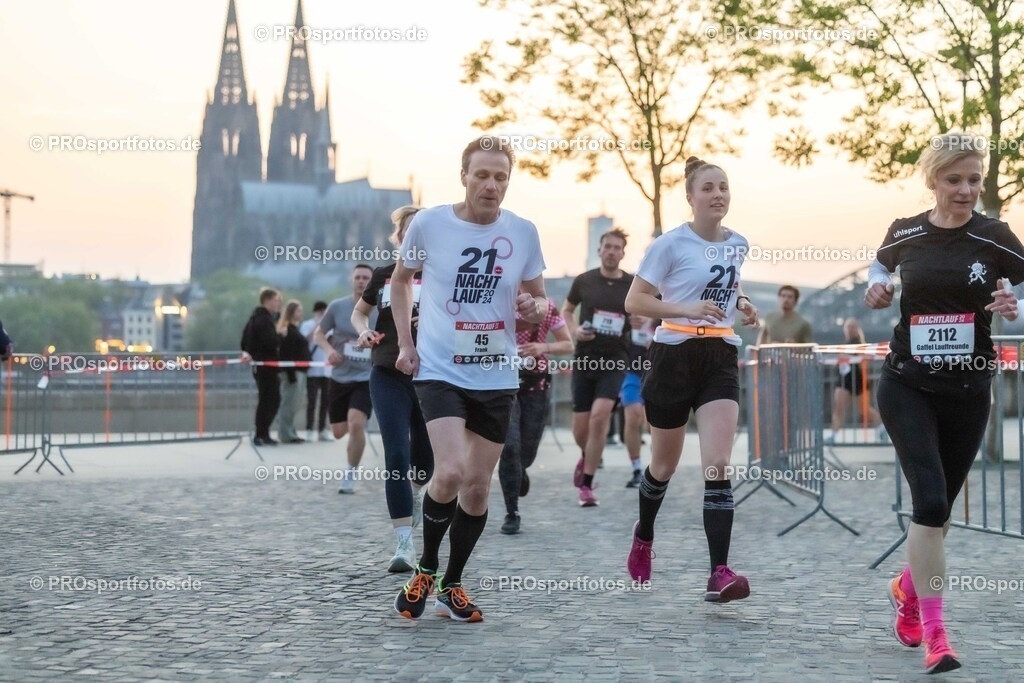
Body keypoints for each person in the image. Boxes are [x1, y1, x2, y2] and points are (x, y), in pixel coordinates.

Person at [865, 132, 1023, 675]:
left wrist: (1013, 302)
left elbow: (1023, 288)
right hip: (907, 384)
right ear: (933, 180)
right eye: (954, 180)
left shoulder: (995, 235)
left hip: (969, 390)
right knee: (930, 504)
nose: (966, 190)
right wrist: (878, 287)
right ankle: (935, 633)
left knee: (939, 514)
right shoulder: (905, 231)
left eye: (974, 180)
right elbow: (879, 267)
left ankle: (906, 589)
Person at [392, 135, 547, 622]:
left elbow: (540, 301)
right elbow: (400, 281)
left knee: (478, 487)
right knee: (451, 472)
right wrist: (406, 343)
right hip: (440, 368)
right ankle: (425, 568)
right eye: (482, 175)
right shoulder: (430, 224)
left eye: (500, 177)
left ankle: (451, 584)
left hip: (496, 373)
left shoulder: (523, 232)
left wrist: (533, 308)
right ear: (464, 176)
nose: (491, 185)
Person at [624, 156, 760, 604]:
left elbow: (726, 284)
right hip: (673, 355)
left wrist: (742, 303)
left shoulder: (737, 243)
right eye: (708, 188)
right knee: (663, 466)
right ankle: (644, 534)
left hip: (719, 355)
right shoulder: (669, 244)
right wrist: (686, 308)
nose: (717, 195)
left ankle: (719, 572)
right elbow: (635, 301)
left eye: (723, 187)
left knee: (718, 464)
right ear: (690, 197)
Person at [351, 205, 434, 572]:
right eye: (409, 230)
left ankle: (415, 492)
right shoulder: (385, 275)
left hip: (431, 376)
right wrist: (363, 331)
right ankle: (403, 544)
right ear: (399, 237)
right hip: (387, 372)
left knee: (426, 462)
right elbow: (359, 312)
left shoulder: (443, 274)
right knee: (396, 455)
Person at [562, 228, 634, 507]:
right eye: (608, 247)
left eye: (617, 248)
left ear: (623, 253)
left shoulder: (632, 284)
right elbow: (566, 310)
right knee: (580, 430)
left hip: (616, 358)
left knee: (600, 416)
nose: (612, 251)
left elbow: (645, 311)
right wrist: (575, 331)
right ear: (600, 250)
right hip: (585, 358)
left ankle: (587, 485)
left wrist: (640, 319)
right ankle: (588, 455)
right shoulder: (584, 281)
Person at [498, 295, 573, 534]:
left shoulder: (547, 306)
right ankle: (512, 512)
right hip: (501, 383)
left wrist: (543, 347)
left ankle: (521, 469)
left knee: (527, 450)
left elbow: (568, 345)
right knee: (510, 447)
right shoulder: (495, 300)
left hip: (536, 385)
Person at [314, 265, 377, 493]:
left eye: (366, 278)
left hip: (367, 377)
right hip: (340, 377)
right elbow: (319, 334)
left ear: (372, 282)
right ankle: (355, 439)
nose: (361, 281)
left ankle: (350, 474)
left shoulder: (380, 309)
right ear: (352, 280)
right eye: (357, 277)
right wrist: (329, 350)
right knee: (339, 431)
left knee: (356, 423)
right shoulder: (337, 306)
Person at [827, 317, 884, 444]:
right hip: (844, 379)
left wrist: (856, 358)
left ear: (857, 329)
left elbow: (863, 364)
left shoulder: (860, 345)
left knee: (865, 409)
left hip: (859, 380)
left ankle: (882, 427)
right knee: (839, 407)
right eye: (848, 327)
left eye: (852, 327)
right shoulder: (844, 345)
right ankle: (833, 434)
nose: (850, 329)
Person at [241, 287, 282, 446]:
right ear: (267, 300)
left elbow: (244, 341)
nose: (278, 303)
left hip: (263, 365)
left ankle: (263, 432)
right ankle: (261, 433)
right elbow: (271, 342)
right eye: (276, 300)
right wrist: (280, 335)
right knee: (269, 399)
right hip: (266, 365)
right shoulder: (263, 320)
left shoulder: (255, 318)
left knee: (269, 399)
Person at [276, 300, 309, 444]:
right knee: (288, 403)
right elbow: (286, 354)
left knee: (295, 404)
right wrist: (291, 375)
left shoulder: (295, 329)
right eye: (298, 310)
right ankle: (286, 433)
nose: (301, 313)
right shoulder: (287, 330)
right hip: (293, 372)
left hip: (300, 371)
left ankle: (291, 431)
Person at [300, 301, 332, 441]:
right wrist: (317, 325)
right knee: (311, 401)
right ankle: (309, 429)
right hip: (312, 369)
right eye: (320, 312)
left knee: (325, 401)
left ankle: (322, 429)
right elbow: (304, 340)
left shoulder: (330, 326)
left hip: (326, 370)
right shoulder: (307, 324)